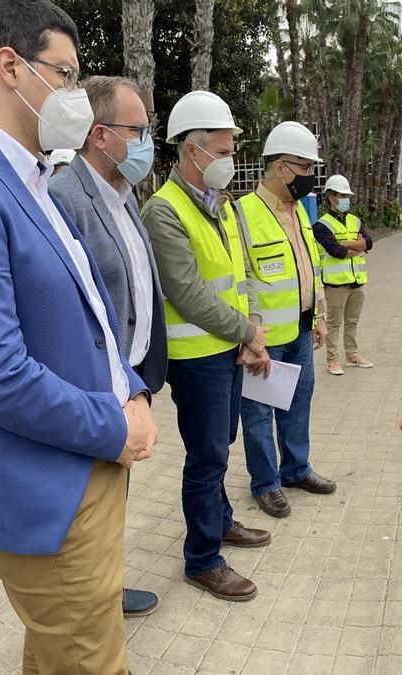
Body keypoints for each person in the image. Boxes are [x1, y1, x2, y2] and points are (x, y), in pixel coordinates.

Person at [0, 2, 157, 671]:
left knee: (61, 652)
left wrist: (132, 388)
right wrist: (114, 424)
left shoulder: (38, 176)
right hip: (47, 484)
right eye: (66, 75)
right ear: (9, 67)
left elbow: (93, 311)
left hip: (85, 460)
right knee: (90, 658)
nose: (76, 95)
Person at [143, 90, 272, 601]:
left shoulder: (225, 207)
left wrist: (252, 332)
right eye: (222, 152)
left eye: (231, 150)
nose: (230, 160)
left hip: (231, 350)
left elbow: (245, 277)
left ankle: (220, 523)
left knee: (220, 447)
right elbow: (189, 293)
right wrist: (247, 333)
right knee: (206, 456)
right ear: (191, 151)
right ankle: (202, 559)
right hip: (196, 360)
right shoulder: (164, 210)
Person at [48, 75, 165, 619]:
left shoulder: (124, 194)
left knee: (114, 492)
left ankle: (107, 586)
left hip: (133, 375)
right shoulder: (66, 198)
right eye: (137, 131)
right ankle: (93, 600)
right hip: (99, 385)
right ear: (100, 135)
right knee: (92, 498)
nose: (145, 141)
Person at [235, 121, 337, 519]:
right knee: (259, 413)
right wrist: (250, 335)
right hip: (265, 338)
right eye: (305, 167)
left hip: (299, 330)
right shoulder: (243, 213)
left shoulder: (299, 211)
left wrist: (320, 318)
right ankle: (266, 483)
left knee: (298, 404)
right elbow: (242, 278)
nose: (311, 177)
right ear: (281, 167)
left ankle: (296, 469)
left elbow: (312, 269)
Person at [313, 174, 374, 375]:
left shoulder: (355, 221)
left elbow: (369, 243)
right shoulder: (321, 226)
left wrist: (348, 245)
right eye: (342, 195)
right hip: (336, 285)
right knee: (334, 324)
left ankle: (352, 355)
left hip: (357, 282)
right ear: (331, 197)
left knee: (352, 322)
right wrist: (358, 246)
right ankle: (332, 360)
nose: (346, 199)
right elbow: (336, 252)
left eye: (347, 195)